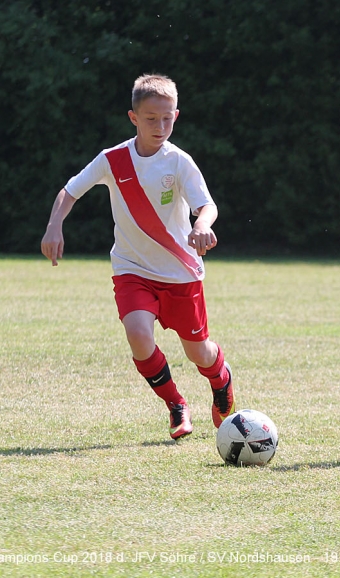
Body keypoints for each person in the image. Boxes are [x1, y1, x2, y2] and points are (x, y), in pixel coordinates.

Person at [40, 74, 235, 440]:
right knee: (138, 335)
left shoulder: (179, 162)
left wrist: (201, 226)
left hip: (180, 272)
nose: (160, 126)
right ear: (133, 117)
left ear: (176, 116)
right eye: (150, 119)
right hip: (132, 269)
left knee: (199, 353)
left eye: (167, 118)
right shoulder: (112, 159)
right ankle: (176, 404)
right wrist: (54, 226)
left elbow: (206, 205)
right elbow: (70, 191)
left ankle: (221, 381)